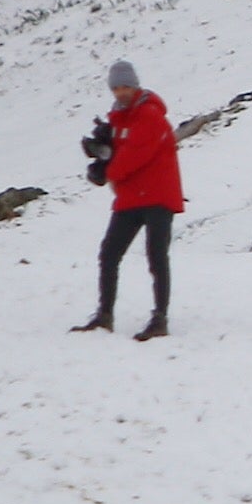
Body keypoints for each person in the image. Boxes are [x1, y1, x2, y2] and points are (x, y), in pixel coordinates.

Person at [74, 60, 183, 340]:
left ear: (135, 86)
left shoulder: (150, 115)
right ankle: (105, 314)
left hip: (158, 195)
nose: (121, 92)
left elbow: (135, 155)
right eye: (116, 87)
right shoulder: (119, 118)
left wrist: (105, 171)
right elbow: (121, 151)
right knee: (109, 254)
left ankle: (160, 318)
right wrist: (103, 153)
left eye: (125, 86)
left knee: (156, 256)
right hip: (132, 196)